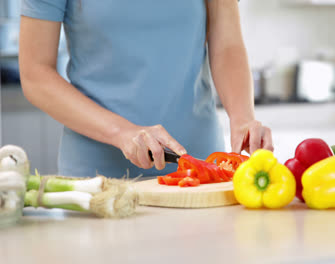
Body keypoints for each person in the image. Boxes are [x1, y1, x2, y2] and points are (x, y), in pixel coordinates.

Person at [19, 0, 273, 178]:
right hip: (100, 181)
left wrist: (242, 118)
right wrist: (122, 132)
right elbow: (36, 74)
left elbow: (227, 43)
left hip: (199, 172)